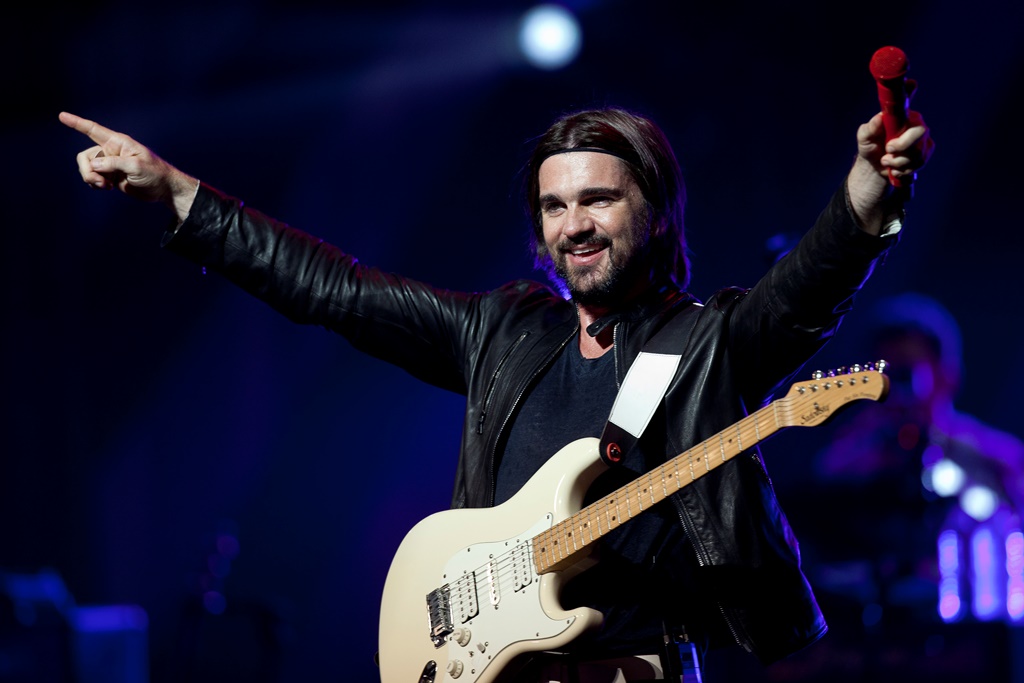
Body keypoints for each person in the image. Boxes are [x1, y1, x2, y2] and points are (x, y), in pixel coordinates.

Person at [59, 102, 932, 682]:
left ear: (655, 209)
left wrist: (869, 195)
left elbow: (804, 290)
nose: (574, 225)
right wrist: (181, 196)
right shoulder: (503, 330)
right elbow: (335, 289)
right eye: (554, 207)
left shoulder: (704, 345)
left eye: (598, 200)